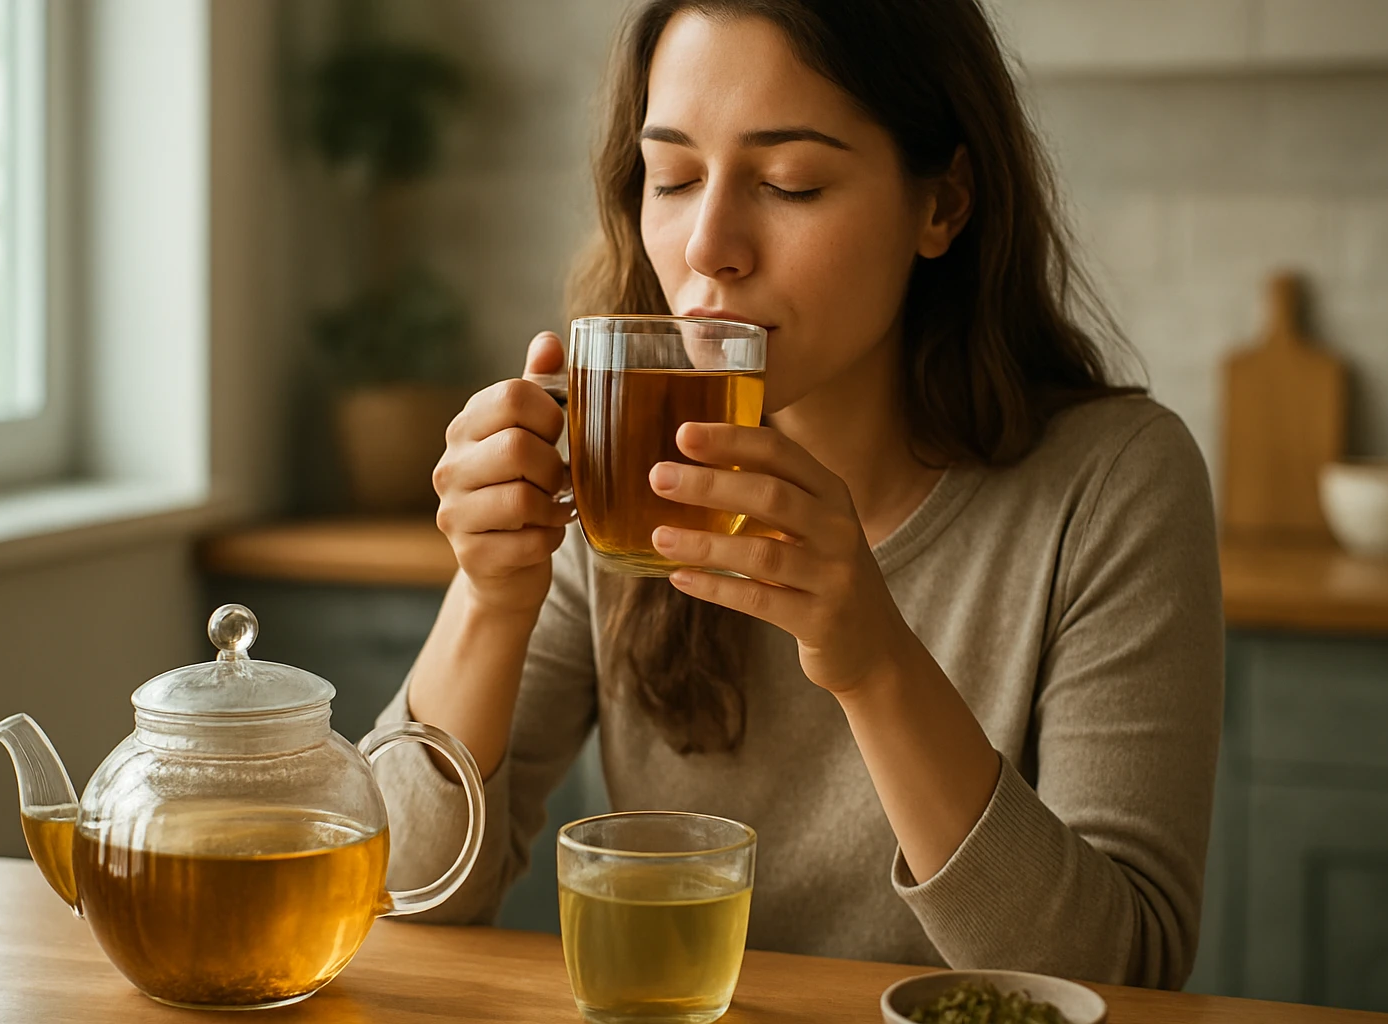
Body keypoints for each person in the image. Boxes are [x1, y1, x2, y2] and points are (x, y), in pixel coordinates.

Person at [373, 0, 1223, 989]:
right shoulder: (622, 463)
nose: (709, 246)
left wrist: (875, 662)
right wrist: (488, 599)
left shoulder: (1112, 483)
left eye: (789, 182)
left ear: (943, 204)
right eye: (673, 177)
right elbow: (394, 893)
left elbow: (1123, 977)